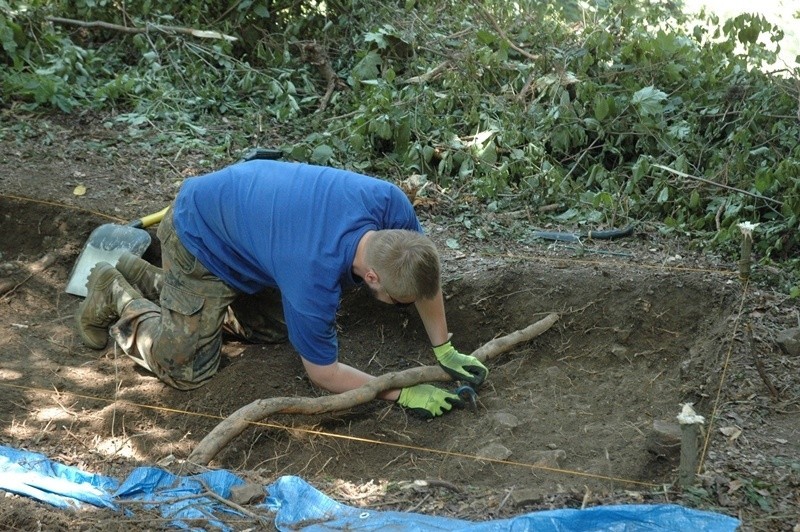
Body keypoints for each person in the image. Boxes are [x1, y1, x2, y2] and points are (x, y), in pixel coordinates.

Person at [75, 159, 488, 418]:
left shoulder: (391, 207)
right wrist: (399, 393)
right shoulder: (312, 276)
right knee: (186, 369)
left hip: (250, 228)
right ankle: (114, 289)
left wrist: (443, 347)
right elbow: (323, 374)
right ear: (372, 277)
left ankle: (153, 279)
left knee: (276, 330)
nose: (402, 306)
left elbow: (423, 278)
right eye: (398, 302)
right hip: (199, 237)